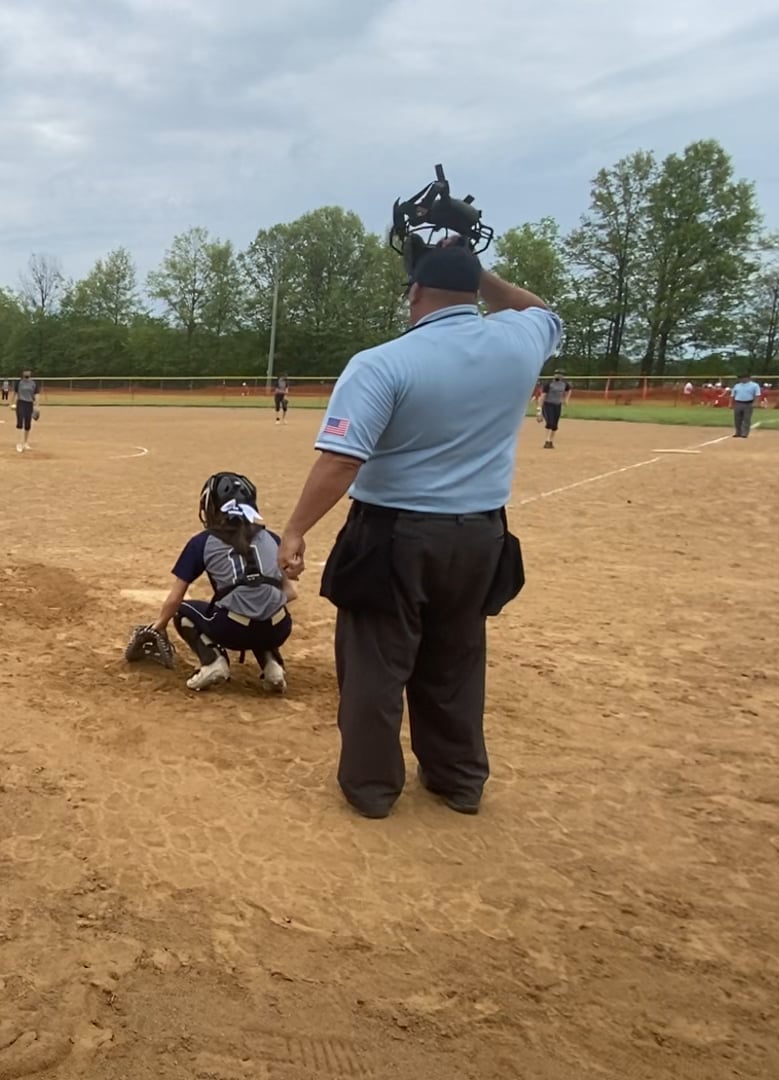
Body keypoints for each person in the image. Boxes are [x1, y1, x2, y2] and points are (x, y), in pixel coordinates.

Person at [275, 241, 560, 819]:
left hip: (394, 533)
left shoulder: (383, 361)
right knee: (456, 660)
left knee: (375, 667)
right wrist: (478, 271)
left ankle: (372, 787)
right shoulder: (518, 342)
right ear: (473, 289)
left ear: (416, 292)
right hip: (480, 536)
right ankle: (459, 779)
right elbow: (538, 309)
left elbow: (342, 460)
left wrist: (295, 529)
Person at [152, 472, 295, 693]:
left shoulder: (202, 542)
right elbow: (291, 592)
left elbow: (175, 599)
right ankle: (272, 665)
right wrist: (259, 601)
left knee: (181, 611)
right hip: (279, 628)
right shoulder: (273, 539)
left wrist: (158, 627)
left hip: (232, 630)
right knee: (263, 611)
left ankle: (213, 661)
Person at [536, 369, 572, 449]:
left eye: (560, 374)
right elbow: (542, 397)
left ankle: (551, 441)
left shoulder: (564, 384)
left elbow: (569, 390)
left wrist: (566, 399)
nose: (558, 375)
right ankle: (547, 441)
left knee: (555, 425)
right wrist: (539, 411)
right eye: (556, 374)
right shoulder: (549, 384)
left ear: (563, 376)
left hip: (557, 405)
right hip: (548, 405)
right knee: (550, 422)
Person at [13, 369, 40, 453]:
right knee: (20, 422)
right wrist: (11, 403)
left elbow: (36, 395)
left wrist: (37, 406)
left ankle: (25, 443)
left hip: (29, 404)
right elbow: (15, 393)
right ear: (22, 373)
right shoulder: (19, 382)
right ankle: (19, 443)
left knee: (28, 424)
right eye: (25, 371)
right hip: (21, 403)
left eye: (28, 371)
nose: (27, 373)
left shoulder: (33, 383)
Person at [730, 373, 761, 438]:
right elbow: (732, 395)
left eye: (742, 378)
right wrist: (730, 403)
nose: (741, 379)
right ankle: (738, 432)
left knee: (746, 419)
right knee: (737, 419)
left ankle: (745, 433)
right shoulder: (737, 385)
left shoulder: (754, 385)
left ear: (747, 378)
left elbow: (757, 395)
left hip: (748, 403)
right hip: (738, 403)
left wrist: (755, 403)